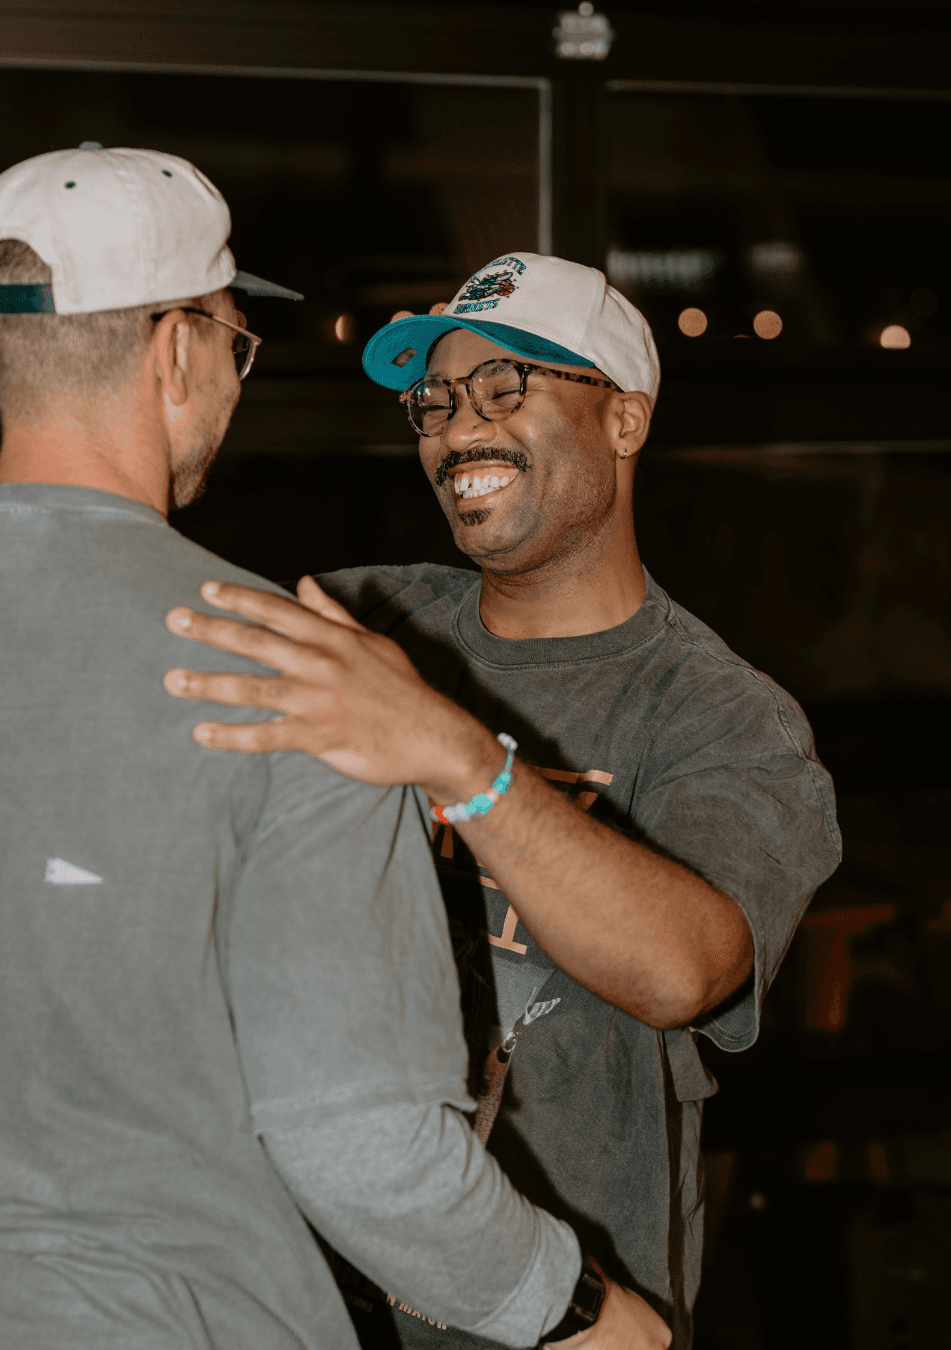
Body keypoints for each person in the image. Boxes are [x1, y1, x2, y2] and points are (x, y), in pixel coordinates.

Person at [0, 161, 669, 1350]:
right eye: (238, 344)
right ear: (178, 352)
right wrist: (583, 1313)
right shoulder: (296, 675)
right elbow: (362, 1149)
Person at [162, 252, 842, 1349]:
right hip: (294, 1294)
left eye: (504, 389)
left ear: (624, 422)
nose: (453, 429)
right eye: (433, 401)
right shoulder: (370, 617)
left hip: (574, 1313)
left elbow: (687, 969)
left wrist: (459, 761)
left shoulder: (722, 718)